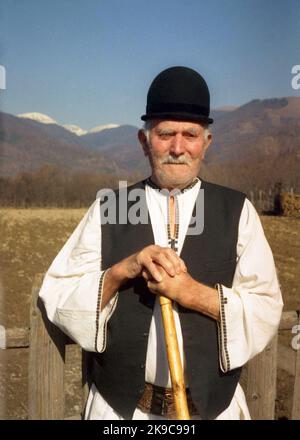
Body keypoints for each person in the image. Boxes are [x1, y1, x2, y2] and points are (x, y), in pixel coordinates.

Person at [39, 66, 283, 420]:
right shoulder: (111, 208)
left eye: (190, 134)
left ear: (206, 143)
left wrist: (190, 292)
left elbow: (264, 308)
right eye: (165, 133)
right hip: (123, 413)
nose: (178, 148)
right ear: (144, 141)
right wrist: (125, 269)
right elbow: (60, 294)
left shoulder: (236, 211)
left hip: (212, 412)